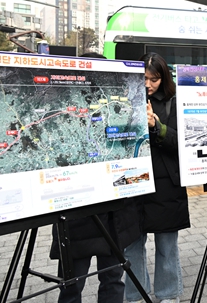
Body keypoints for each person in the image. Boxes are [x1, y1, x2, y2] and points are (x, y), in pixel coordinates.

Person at [49, 53, 142, 303]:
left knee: (95, 282)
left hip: (110, 215)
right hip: (82, 217)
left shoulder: (122, 112)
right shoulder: (63, 116)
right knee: (80, 284)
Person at [124, 52, 190, 303]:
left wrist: (156, 126)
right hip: (132, 181)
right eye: (144, 78)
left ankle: (168, 294)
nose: (148, 84)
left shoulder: (174, 101)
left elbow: (182, 142)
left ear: (164, 78)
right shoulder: (124, 100)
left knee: (166, 244)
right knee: (132, 244)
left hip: (165, 185)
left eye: (154, 79)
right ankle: (135, 295)